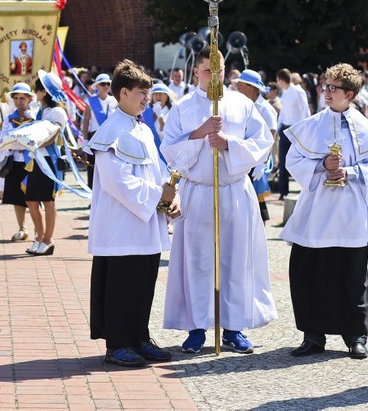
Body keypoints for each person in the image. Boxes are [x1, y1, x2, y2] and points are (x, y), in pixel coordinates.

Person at [162, 49, 276, 354]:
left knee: (234, 260)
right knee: (198, 261)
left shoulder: (242, 104)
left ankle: (233, 327)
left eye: (219, 70)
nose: (214, 76)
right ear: (196, 72)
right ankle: (197, 327)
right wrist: (199, 134)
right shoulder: (183, 106)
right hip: (198, 192)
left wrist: (229, 145)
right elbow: (169, 149)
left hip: (233, 190)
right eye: (207, 71)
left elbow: (263, 142)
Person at [280, 63, 368, 360]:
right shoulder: (312, 124)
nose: (326, 92)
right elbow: (293, 160)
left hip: (351, 213)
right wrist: (320, 166)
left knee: (351, 275)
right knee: (309, 271)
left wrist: (349, 172)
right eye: (325, 86)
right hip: (316, 213)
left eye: (333, 88)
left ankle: (355, 336)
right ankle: (313, 335)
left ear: (350, 94)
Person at [86, 59, 179, 367]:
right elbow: (117, 182)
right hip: (121, 226)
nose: (146, 99)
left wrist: (169, 200)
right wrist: (157, 196)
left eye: (148, 93)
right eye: (141, 93)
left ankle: (139, 337)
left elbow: (156, 171)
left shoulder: (141, 127)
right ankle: (118, 344)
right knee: (122, 286)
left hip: (145, 223)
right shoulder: (110, 131)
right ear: (124, 93)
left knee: (142, 283)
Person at [24, 70, 69, 256]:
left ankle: (48, 239)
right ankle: (40, 237)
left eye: (38, 90)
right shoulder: (42, 110)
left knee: (47, 200)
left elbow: (52, 138)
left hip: (49, 159)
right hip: (37, 158)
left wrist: (30, 141)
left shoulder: (58, 111)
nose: (36, 93)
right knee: (31, 199)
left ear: (45, 92)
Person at [235, 69, 277, 224]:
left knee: (257, 200)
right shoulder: (243, 104)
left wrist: (262, 163)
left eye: (241, 84)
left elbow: (271, 136)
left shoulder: (266, 108)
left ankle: (260, 234)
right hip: (245, 156)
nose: (238, 87)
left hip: (258, 160)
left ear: (250, 87)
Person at [0, 82, 37, 242]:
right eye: (16, 98)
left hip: (32, 161)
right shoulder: (9, 118)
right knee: (16, 196)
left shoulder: (35, 116)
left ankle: (38, 230)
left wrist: (19, 143)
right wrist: (15, 144)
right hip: (15, 161)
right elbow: (3, 139)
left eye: (22, 98)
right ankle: (22, 228)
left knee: (35, 196)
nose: (19, 101)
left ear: (29, 99)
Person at [276, 68, 311, 199]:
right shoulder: (285, 93)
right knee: (283, 161)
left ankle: (304, 191)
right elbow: (283, 113)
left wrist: (305, 131)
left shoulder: (298, 91)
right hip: (285, 130)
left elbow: (305, 111)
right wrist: (277, 129)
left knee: (300, 162)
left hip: (297, 131)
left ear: (280, 80)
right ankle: (283, 191)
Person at [82, 73, 118, 188]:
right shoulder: (90, 101)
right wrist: (85, 139)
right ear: (97, 86)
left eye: (108, 84)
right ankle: (93, 195)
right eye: (103, 84)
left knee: (109, 166)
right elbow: (86, 120)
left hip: (110, 137)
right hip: (95, 136)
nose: (106, 86)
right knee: (93, 166)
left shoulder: (114, 100)